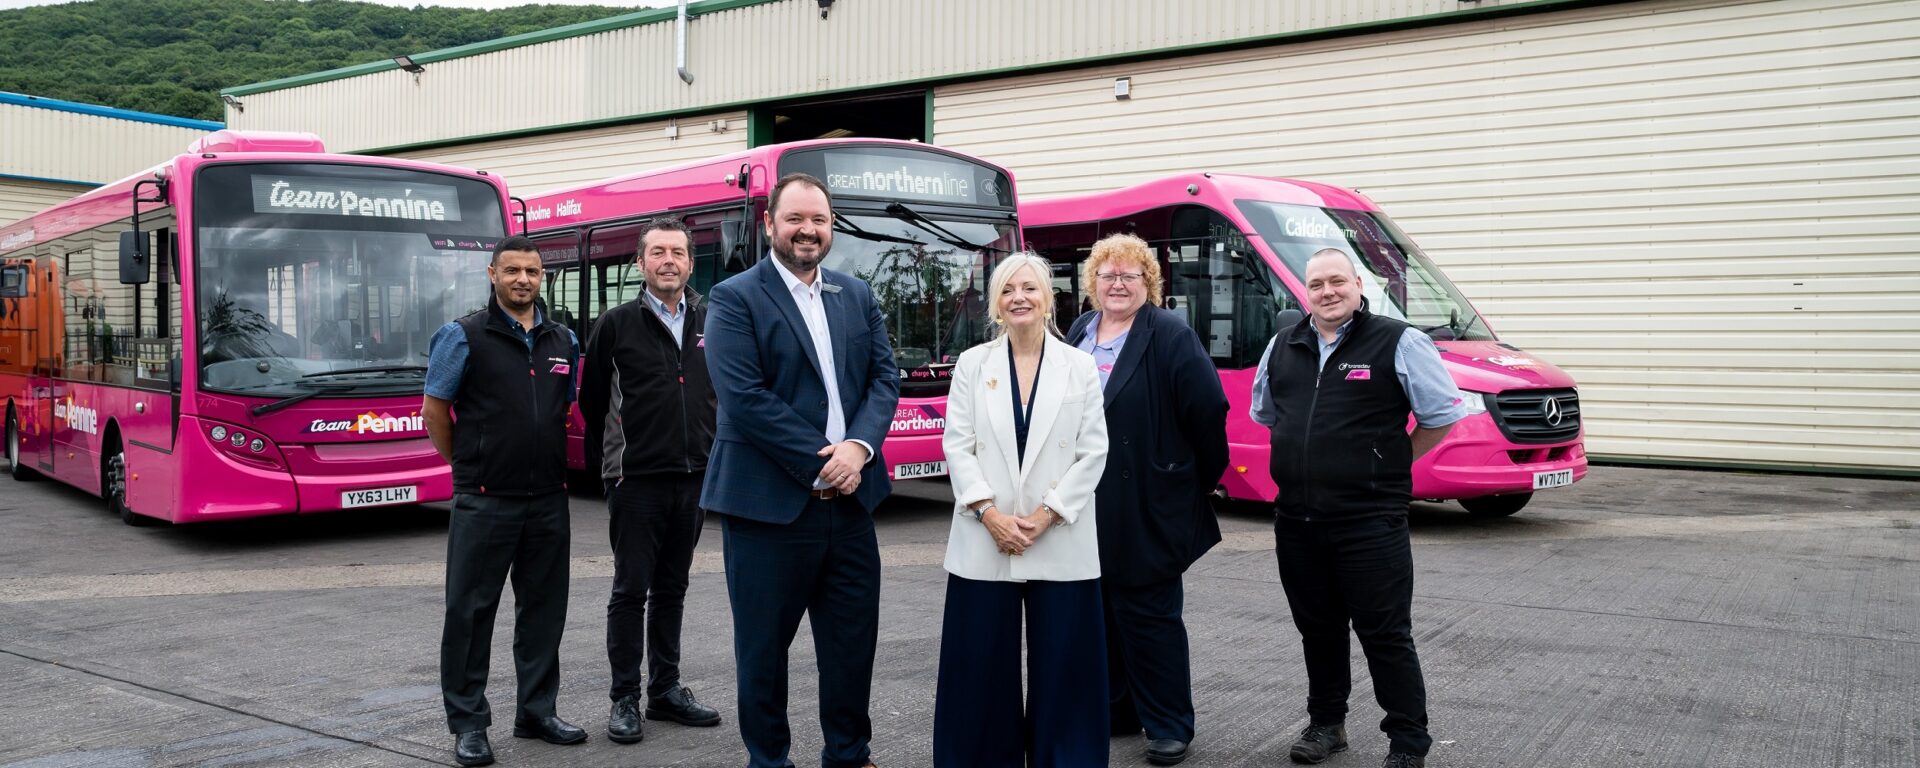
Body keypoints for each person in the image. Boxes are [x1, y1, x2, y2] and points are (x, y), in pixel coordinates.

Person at [699, 173, 901, 768]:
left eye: (818, 219)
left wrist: (859, 448)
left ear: (830, 226)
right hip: (768, 510)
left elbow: (884, 379)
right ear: (769, 224)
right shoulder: (735, 298)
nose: (807, 230)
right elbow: (744, 396)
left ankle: (848, 754)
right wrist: (826, 458)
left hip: (852, 505)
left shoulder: (856, 295)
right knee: (763, 652)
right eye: (795, 219)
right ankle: (770, 760)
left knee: (851, 647)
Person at [1250, 248, 1464, 768]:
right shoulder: (1283, 344)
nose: (1327, 291)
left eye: (1337, 281)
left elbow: (1442, 416)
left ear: (1358, 285)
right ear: (1305, 291)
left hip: (1369, 522)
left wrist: (1387, 463)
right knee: (1318, 629)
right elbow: (1266, 412)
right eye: (1317, 283)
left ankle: (1408, 742)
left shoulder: (1398, 341)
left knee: (1386, 634)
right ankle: (1327, 724)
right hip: (1298, 521)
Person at [933, 252, 1111, 768]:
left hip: (1059, 537)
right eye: (1009, 290)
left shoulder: (1079, 366)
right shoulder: (972, 364)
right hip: (984, 537)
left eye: (1030, 288)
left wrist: (1047, 514)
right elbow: (958, 446)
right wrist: (988, 514)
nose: (1020, 298)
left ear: (1048, 298)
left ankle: (1068, 758)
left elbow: (1093, 450)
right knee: (979, 667)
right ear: (995, 303)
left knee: (1067, 669)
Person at [1064, 233, 1228, 766]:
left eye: (1129, 275)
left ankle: (1169, 724)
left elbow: (1208, 411)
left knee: (1149, 615)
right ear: (1093, 283)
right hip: (1086, 500)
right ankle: (1119, 711)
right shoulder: (1080, 330)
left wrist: (1189, 479)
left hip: (1148, 500)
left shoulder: (1169, 333)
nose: (1117, 283)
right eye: (1107, 275)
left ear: (1148, 283)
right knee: (1103, 610)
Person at [423, 236, 585, 767]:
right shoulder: (462, 336)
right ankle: (469, 723)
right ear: (492, 273)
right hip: (485, 501)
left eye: (532, 272)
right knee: (470, 615)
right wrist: (469, 466)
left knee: (543, 613)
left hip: (548, 501)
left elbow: (563, 410)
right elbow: (434, 411)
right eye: (512, 270)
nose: (522, 280)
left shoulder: (565, 339)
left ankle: (536, 712)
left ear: (543, 278)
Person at [578, 217, 723, 747]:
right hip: (636, 480)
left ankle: (665, 690)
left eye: (678, 252)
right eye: (658, 252)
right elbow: (592, 403)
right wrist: (612, 469)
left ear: (689, 262)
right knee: (629, 590)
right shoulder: (616, 324)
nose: (669, 260)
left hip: (695, 478)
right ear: (641, 263)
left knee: (673, 587)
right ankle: (624, 698)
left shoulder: (711, 318)